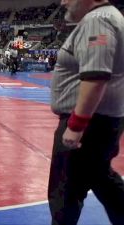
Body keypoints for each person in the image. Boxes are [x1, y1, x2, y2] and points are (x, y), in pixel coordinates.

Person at [49, 0, 124, 224]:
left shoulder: (97, 20)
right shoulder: (108, 17)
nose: (63, 2)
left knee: (64, 192)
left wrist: (76, 125)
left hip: (89, 123)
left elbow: (96, 75)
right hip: (101, 120)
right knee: (101, 178)